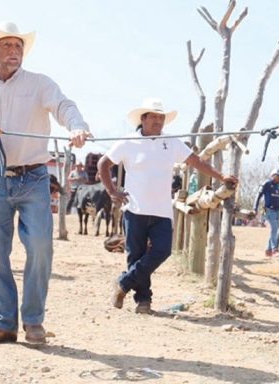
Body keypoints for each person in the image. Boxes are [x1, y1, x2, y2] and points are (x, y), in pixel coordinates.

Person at [0, 21, 91, 344]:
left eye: (18, 46)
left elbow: (64, 107)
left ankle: (33, 321)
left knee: (41, 245)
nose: (14, 51)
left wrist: (77, 126)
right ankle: (3, 322)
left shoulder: (40, 84)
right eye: (7, 45)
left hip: (33, 177)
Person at [98, 98, 238, 315]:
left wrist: (221, 177)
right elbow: (103, 164)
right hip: (135, 208)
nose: (158, 121)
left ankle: (123, 283)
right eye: (154, 116)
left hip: (162, 210)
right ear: (143, 119)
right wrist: (112, 191)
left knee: (162, 251)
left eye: (161, 117)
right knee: (136, 255)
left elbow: (196, 162)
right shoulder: (127, 141)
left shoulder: (171, 142)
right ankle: (143, 301)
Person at [254, 169, 279, 257]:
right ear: (273, 175)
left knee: (275, 230)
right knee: (274, 229)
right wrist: (255, 208)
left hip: (277, 210)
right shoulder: (267, 184)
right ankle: (274, 249)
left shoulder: (278, 186)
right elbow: (258, 195)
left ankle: (268, 250)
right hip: (269, 210)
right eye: (278, 176)